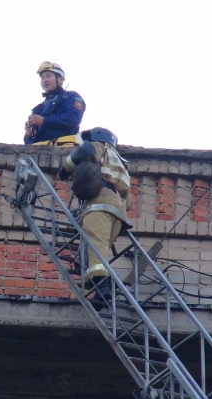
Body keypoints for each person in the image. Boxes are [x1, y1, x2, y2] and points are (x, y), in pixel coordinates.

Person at [58, 128, 132, 295]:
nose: (87, 142)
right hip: (118, 214)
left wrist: (65, 167)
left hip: (99, 206)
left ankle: (103, 286)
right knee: (97, 248)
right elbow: (129, 200)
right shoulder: (122, 164)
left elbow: (85, 150)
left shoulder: (100, 147)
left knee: (96, 245)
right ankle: (99, 288)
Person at [24, 61, 86, 145]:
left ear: (60, 79)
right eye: (42, 77)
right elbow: (29, 144)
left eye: (48, 76)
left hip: (65, 151)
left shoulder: (71, 97)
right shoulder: (39, 108)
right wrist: (29, 133)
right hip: (42, 154)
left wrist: (44, 120)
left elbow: (73, 119)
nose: (45, 80)